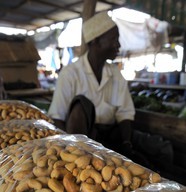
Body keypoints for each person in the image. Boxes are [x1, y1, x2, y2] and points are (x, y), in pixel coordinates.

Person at [48, 11, 137, 159]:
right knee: (82, 103)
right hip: (82, 143)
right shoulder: (70, 74)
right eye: (114, 39)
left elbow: (125, 113)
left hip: (110, 138)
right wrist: (71, 150)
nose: (118, 45)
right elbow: (57, 117)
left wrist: (126, 143)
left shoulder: (116, 74)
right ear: (95, 41)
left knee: (157, 147)